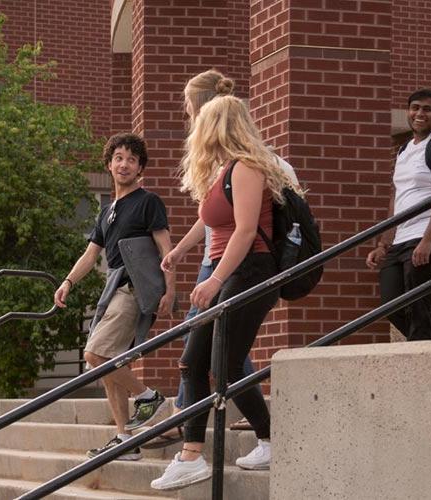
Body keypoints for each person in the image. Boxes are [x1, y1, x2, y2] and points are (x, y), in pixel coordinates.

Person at [152, 93, 299, 490]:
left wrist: (215, 280)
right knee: (192, 360)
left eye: (200, 120)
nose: (194, 126)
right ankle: (191, 456)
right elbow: (215, 224)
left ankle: (270, 439)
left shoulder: (248, 168)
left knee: (227, 363)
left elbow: (247, 231)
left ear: (214, 125)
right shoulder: (225, 170)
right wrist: (182, 252)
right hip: (226, 268)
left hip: (250, 270)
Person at [54, 133, 175, 461]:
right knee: (108, 364)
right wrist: (68, 281)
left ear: (140, 169)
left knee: (95, 355)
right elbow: (91, 254)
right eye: (119, 158)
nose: (125, 164)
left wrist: (170, 289)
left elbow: (166, 248)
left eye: (132, 160)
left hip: (133, 289)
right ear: (109, 164)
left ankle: (150, 399)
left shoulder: (148, 202)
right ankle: (125, 439)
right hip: (114, 289)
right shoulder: (107, 211)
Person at [366, 89, 431, 341]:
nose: (420, 113)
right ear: (408, 111)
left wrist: (428, 240)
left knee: (419, 305)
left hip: (430, 235)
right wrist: (383, 243)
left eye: (427, 109)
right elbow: (395, 198)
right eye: (415, 107)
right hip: (402, 238)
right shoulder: (403, 150)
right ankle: (426, 345)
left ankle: (423, 351)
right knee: (390, 302)